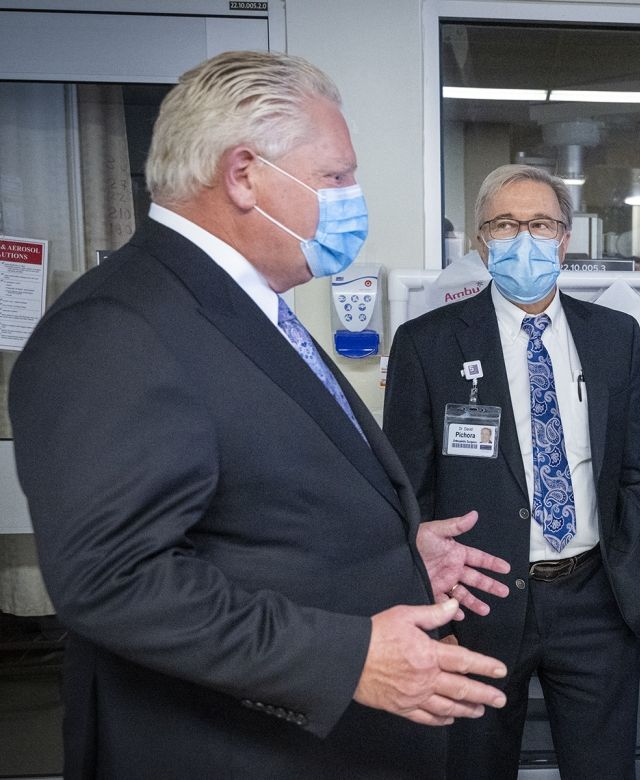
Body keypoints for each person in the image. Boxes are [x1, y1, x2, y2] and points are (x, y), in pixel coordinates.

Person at [7, 51, 511, 779]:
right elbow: (116, 578)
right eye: (336, 176)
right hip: (227, 750)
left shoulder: (244, 304)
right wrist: (350, 659)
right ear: (244, 174)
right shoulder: (118, 327)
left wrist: (397, 554)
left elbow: (260, 502)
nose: (353, 198)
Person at [383, 164, 640, 780]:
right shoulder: (428, 345)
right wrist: (431, 609)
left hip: (596, 601)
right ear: (483, 243)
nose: (524, 239)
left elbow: (637, 471)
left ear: (565, 239)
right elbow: (405, 491)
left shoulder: (616, 337)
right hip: (478, 604)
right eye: (506, 225)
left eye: (540, 224)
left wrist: (634, 571)